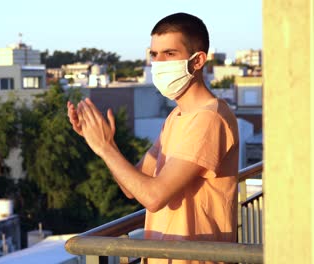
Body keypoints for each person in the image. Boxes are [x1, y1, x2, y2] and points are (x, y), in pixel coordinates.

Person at [67, 12, 239, 264]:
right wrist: (106, 144)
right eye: (154, 55)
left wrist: (106, 148)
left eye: (169, 54)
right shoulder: (177, 116)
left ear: (198, 60)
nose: (158, 63)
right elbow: (131, 188)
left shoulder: (209, 119)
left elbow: (154, 197)